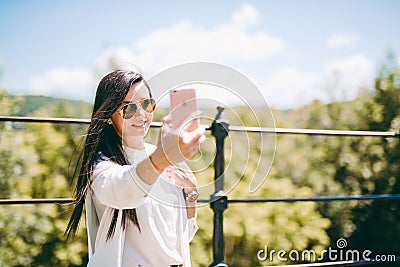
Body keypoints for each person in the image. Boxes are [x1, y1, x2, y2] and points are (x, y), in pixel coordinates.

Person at [66, 68, 205, 267]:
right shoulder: (101, 166)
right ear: (108, 116)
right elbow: (123, 191)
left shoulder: (165, 158)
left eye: (147, 104)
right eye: (128, 108)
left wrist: (191, 192)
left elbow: (182, 237)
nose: (141, 114)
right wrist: (160, 159)